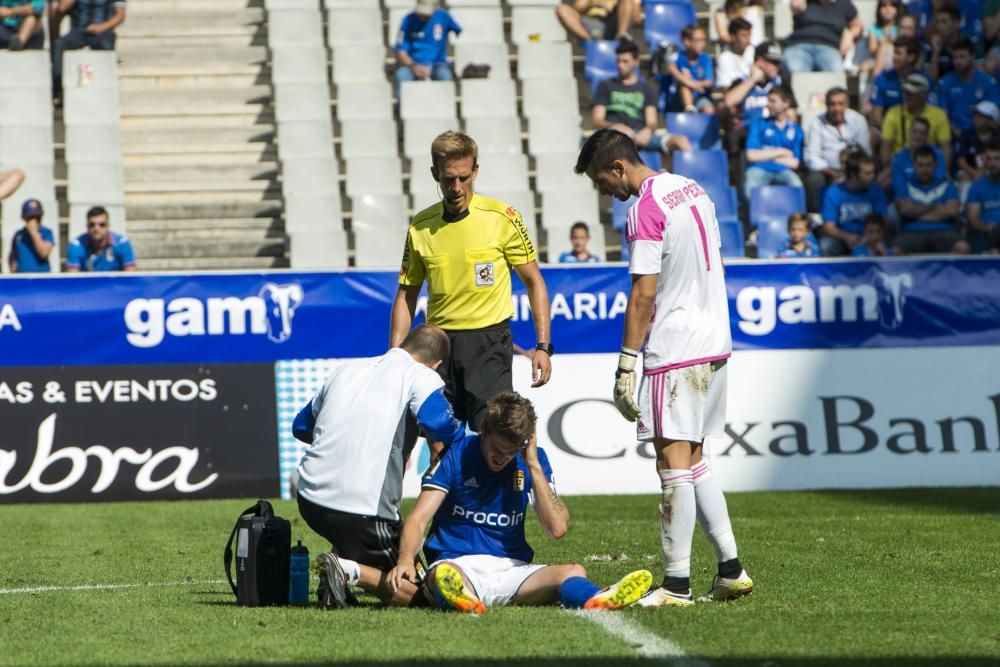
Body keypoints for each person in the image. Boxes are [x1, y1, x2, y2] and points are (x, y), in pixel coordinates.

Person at [575, 128, 753, 606]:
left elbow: (644, 293)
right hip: (715, 340)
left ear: (618, 167)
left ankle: (676, 586)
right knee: (693, 460)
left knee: (671, 464)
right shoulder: (693, 189)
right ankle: (731, 570)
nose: (603, 192)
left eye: (600, 180)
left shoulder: (643, 209)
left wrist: (626, 363)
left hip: (676, 347)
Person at [387, 390, 654, 613]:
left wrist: (533, 465)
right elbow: (418, 518)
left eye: (510, 452)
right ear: (483, 430)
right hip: (457, 564)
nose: (501, 458)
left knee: (574, 570)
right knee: (442, 575)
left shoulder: (532, 460)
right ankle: (461, 597)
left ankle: (599, 598)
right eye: (496, 449)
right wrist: (406, 559)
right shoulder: (456, 454)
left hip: (512, 571)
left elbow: (557, 529)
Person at [391, 131, 552, 439]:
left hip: (489, 342)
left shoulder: (503, 217)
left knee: (490, 439)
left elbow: (535, 282)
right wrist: (395, 356)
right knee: (438, 443)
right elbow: (405, 294)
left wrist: (543, 346)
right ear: (435, 174)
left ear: (475, 170)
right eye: (448, 178)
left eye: (463, 177)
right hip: (437, 346)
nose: (456, 187)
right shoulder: (420, 227)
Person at [295, 324, 466, 609]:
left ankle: (339, 568)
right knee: (421, 595)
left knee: (352, 536)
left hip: (309, 499)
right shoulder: (421, 375)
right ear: (437, 364)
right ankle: (345, 570)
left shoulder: (347, 369)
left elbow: (301, 427)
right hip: (362, 510)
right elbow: (439, 423)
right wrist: (461, 433)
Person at [592, 41, 691, 155]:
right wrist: (615, 126)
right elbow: (597, 121)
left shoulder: (647, 89)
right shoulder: (605, 85)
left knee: (681, 141)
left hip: (640, 135)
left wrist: (647, 130)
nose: (620, 65)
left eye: (625, 61)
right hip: (614, 136)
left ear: (636, 62)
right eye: (618, 61)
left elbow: (652, 121)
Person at [804, 87, 873, 213]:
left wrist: (849, 169)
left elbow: (865, 152)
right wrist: (832, 173)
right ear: (826, 105)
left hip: (854, 167)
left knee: (869, 174)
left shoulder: (858, 120)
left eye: (841, 104)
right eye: (832, 104)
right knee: (813, 180)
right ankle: (818, 217)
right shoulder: (816, 123)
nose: (836, 109)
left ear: (847, 104)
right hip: (827, 171)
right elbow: (811, 157)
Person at [894, 145, 968, 254]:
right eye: (920, 165)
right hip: (912, 233)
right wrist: (935, 207)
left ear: (935, 166)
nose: (925, 169)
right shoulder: (905, 185)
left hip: (944, 232)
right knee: (895, 251)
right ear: (914, 166)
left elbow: (952, 211)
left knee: (963, 247)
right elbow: (905, 210)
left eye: (928, 165)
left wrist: (918, 214)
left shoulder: (947, 184)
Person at [51, 0, 127, 101]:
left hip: (103, 30)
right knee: (59, 45)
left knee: (105, 43)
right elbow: (62, 7)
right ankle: (58, 90)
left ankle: (106, 86)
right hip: (79, 31)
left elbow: (120, 16)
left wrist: (101, 27)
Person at [721, 40, 784, 155]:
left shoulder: (781, 84)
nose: (777, 67)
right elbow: (728, 102)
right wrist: (752, 79)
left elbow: (791, 112)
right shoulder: (741, 82)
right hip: (746, 133)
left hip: (774, 132)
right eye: (773, 62)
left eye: (778, 63)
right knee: (733, 137)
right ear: (759, 61)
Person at [820, 151, 888, 256]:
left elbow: (882, 219)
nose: (873, 176)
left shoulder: (875, 190)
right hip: (843, 238)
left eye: (873, 172)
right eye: (867, 173)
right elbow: (829, 226)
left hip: (869, 238)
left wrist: (867, 239)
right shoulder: (834, 192)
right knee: (826, 245)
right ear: (853, 175)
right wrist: (847, 237)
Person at [743, 87, 804, 202]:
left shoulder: (796, 129)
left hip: (784, 170)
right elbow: (751, 156)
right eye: (768, 101)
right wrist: (783, 152)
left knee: (797, 187)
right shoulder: (758, 123)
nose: (768, 105)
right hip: (759, 169)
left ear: (786, 103)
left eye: (773, 101)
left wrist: (765, 155)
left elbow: (795, 163)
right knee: (750, 189)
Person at [880, 73, 951, 169]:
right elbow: (885, 153)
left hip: (928, 166)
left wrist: (940, 171)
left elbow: (946, 150)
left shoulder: (939, 115)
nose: (907, 96)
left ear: (924, 94)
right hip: (900, 165)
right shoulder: (893, 113)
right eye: (905, 92)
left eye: (912, 93)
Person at [394, 0, 461, 95]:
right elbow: (401, 51)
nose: (423, 17)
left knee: (445, 76)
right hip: (413, 64)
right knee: (401, 75)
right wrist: (414, 66)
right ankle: (400, 108)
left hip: (438, 64)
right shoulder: (408, 20)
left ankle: (446, 108)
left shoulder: (444, 16)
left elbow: (459, 30)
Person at [937, 37, 1000, 136]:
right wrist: (957, 132)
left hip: (981, 135)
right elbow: (942, 114)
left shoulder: (987, 82)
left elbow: (993, 113)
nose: (957, 61)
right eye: (954, 57)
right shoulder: (946, 82)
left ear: (973, 56)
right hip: (954, 134)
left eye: (962, 57)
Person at [866, 37, 934, 127]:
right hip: (888, 132)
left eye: (898, 53)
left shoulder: (925, 81)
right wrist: (890, 135)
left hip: (920, 135)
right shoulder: (883, 78)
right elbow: (876, 115)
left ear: (911, 57)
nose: (893, 57)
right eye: (894, 52)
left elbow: (933, 113)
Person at [782, 0, 863, 73]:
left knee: (835, 71)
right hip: (799, 45)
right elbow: (795, 6)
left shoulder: (844, 4)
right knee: (795, 69)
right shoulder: (806, 2)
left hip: (829, 47)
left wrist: (850, 34)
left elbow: (857, 25)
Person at [886, 116, 946, 198]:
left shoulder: (937, 155)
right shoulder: (898, 158)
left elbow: (939, 181)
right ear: (909, 132)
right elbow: (899, 187)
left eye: (922, 133)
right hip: (907, 201)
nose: (917, 136)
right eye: (914, 131)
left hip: (934, 197)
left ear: (927, 136)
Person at [65, 205, 136, 271]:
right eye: (92, 225)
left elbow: (131, 278)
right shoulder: (76, 245)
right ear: (87, 226)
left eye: (102, 225)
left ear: (108, 226)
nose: (96, 228)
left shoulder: (122, 244)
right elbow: (72, 280)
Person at [666, 25, 715, 114]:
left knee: (709, 109)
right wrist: (691, 84)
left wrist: (696, 84)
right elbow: (671, 68)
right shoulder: (677, 57)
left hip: (699, 97)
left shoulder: (706, 58)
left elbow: (709, 82)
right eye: (698, 41)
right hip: (678, 98)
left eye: (704, 40)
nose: (702, 44)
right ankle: (689, 110)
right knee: (684, 84)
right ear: (687, 41)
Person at [965, 139, 1000, 253]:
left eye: (996, 159)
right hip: (984, 232)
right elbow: (973, 217)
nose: (992, 163)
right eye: (989, 159)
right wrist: (988, 228)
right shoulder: (977, 186)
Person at [955, 101, 999, 182]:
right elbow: (961, 161)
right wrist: (975, 173)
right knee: (965, 177)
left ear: (991, 121)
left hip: (994, 169)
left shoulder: (997, 137)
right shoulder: (966, 135)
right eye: (975, 115)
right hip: (969, 169)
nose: (976, 119)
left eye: (981, 116)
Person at [7, 198, 54, 272]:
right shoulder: (19, 235)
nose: (34, 221)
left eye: (37, 218)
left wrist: (34, 233)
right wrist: (12, 264)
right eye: (30, 218)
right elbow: (12, 254)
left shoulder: (46, 232)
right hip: (22, 276)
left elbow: (44, 253)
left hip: (41, 276)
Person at [555, 0, 634, 42]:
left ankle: (621, 34)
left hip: (613, 22)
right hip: (590, 21)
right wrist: (596, 4)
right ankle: (590, 41)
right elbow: (577, 8)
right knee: (561, 9)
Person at [716, 18, 755, 91]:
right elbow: (726, 89)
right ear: (733, 37)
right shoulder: (724, 58)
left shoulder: (753, 51)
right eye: (744, 35)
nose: (748, 39)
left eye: (749, 35)